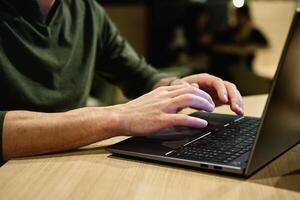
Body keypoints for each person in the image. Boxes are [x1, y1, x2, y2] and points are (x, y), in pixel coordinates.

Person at [0, 0, 244, 164]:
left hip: (67, 161)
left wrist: (179, 89)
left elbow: (139, 76)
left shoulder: (86, 9)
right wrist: (117, 118)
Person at [211, 4, 269, 80]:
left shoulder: (253, 31)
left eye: (242, 16)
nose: (240, 19)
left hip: (247, 68)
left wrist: (249, 48)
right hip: (229, 69)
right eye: (238, 16)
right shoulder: (228, 30)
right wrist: (232, 49)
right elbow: (215, 45)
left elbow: (266, 45)